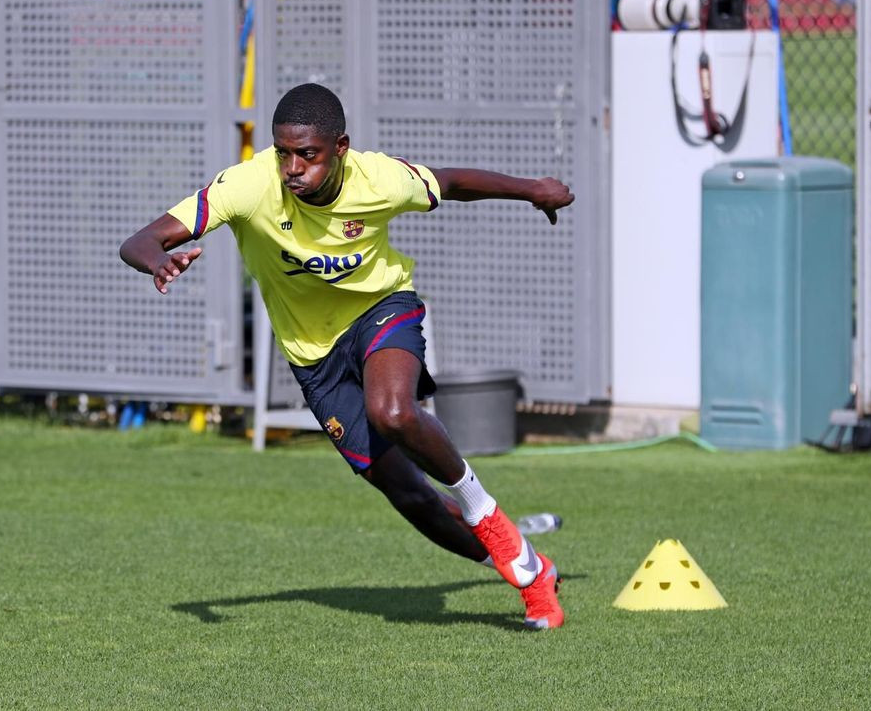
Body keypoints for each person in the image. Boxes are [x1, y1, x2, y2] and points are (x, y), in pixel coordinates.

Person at [120, 83, 575, 629]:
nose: (292, 167)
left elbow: (451, 182)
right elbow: (141, 239)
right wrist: (157, 261)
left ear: (340, 147)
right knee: (410, 497)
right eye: (283, 152)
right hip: (313, 358)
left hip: (383, 309)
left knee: (395, 412)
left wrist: (533, 190)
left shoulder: (378, 178)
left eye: (307, 155)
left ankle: (489, 516)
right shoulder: (246, 185)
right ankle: (529, 569)